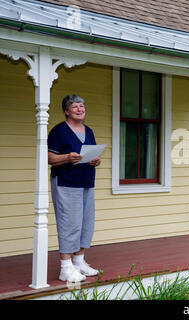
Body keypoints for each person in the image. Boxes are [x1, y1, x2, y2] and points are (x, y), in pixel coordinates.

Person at [48, 94, 102, 283]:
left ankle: (79, 262)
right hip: (66, 182)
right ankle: (65, 267)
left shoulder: (89, 131)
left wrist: (96, 160)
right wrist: (67, 157)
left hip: (86, 182)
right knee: (69, 224)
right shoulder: (59, 131)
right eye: (75, 106)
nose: (80, 109)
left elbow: (90, 155)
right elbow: (50, 158)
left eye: (82, 106)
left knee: (86, 223)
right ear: (66, 111)